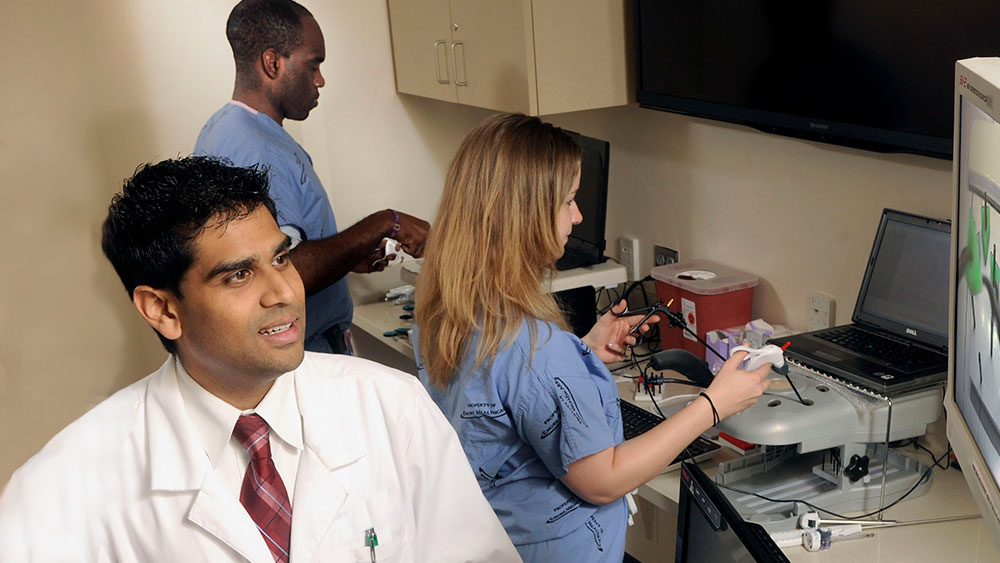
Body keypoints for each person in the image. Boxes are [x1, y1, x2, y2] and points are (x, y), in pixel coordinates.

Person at [0, 156, 519, 562]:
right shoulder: (63, 488)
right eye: (238, 276)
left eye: (281, 258)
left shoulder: (391, 405)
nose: (286, 293)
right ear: (162, 309)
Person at [413, 113, 772, 562]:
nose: (577, 215)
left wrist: (584, 353)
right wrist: (714, 404)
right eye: (567, 201)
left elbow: (509, 395)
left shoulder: (451, 313)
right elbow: (604, 480)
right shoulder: (537, 348)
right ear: (524, 215)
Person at [195, 0, 429, 354]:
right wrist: (386, 222)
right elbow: (280, 275)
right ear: (272, 63)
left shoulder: (224, 129)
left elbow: (282, 255)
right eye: (313, 64)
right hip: (302, 353)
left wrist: (347, 256)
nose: (320, 79)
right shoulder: (257, 149)